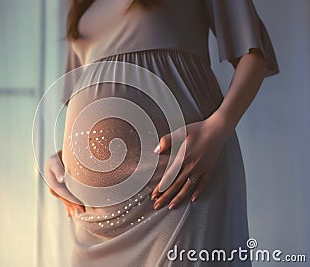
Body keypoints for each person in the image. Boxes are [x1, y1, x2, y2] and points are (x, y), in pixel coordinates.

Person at [44, 0, 279, 266]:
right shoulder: (78, 4)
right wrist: (65, 157)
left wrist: (218, 128)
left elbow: (254, 56)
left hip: (178, 174)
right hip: (98, 214)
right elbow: (86, 92)